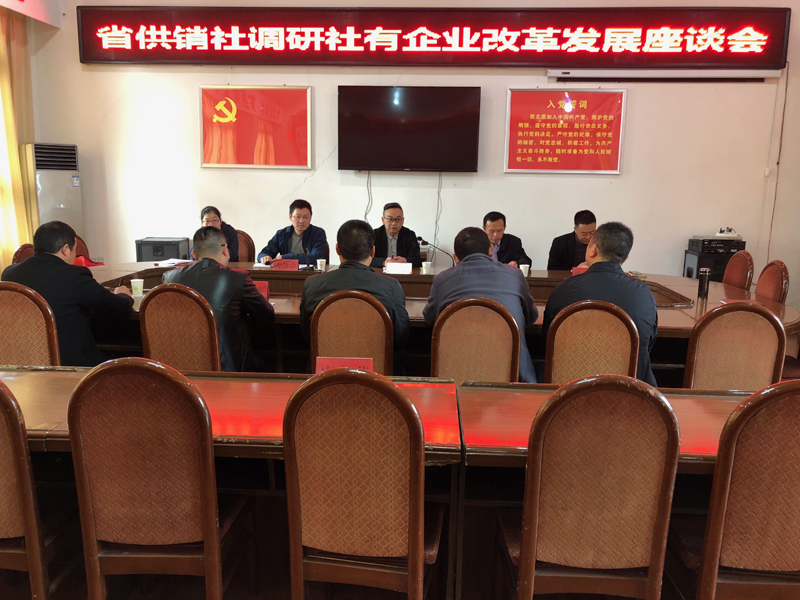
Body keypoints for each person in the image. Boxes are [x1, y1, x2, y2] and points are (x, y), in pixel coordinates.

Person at [1, 221, 133, 367]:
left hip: (21, 366)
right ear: (65, 249)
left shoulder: (9, 273)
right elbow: (117, 308)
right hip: (70, 367)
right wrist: (123, 295)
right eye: (74, 250)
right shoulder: (74, 276)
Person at [542, 221, 658, 386]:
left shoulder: (565, 289)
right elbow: (648, 342)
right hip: (629, 389)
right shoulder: (643, 293)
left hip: (570, 388)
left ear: (593, 250)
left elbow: (548, 338)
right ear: (626, 258)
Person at [423, 227, 538, 383]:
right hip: (514, 378)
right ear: (490, 250)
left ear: (456, 258)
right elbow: (531, 317)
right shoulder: (515, 275)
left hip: (454, 377)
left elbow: (430, 318)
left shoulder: (442, 280)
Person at [163, 226, 274, 372]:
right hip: (226, 368)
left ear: (194, 254)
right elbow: (266, 314)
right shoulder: (238, 277)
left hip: (180, 366)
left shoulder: (169, 278)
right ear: (225, 250)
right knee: (264, 361)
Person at [300, 219, 410, 352]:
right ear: (373, 251)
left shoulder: (311, 284)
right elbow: (401, 337)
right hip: (377, 364)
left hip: (326, 364)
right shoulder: (392, 287)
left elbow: (307, 334)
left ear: (337, 250)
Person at [258, 199, 327, 267]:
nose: (301, 221)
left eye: (305, 217)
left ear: (310, 217)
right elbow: (264, 253)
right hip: (286, 272)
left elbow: (317, 257)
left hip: (309, 272)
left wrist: (285, 257)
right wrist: (264, 257)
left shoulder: (318, 233)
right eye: (298, 217)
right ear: (290, 217)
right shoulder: (282, 234)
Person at [370, 202, 422, 268]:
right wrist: (384, 262)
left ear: (402, 220)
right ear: (383, 220)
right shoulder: (374, 235)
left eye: (398, 219)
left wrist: (405, 261)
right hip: (380, 273)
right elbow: (367, 259)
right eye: (390, 219)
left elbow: (417, 259)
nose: (394, 223)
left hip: (403, 272)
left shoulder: (409, 235)